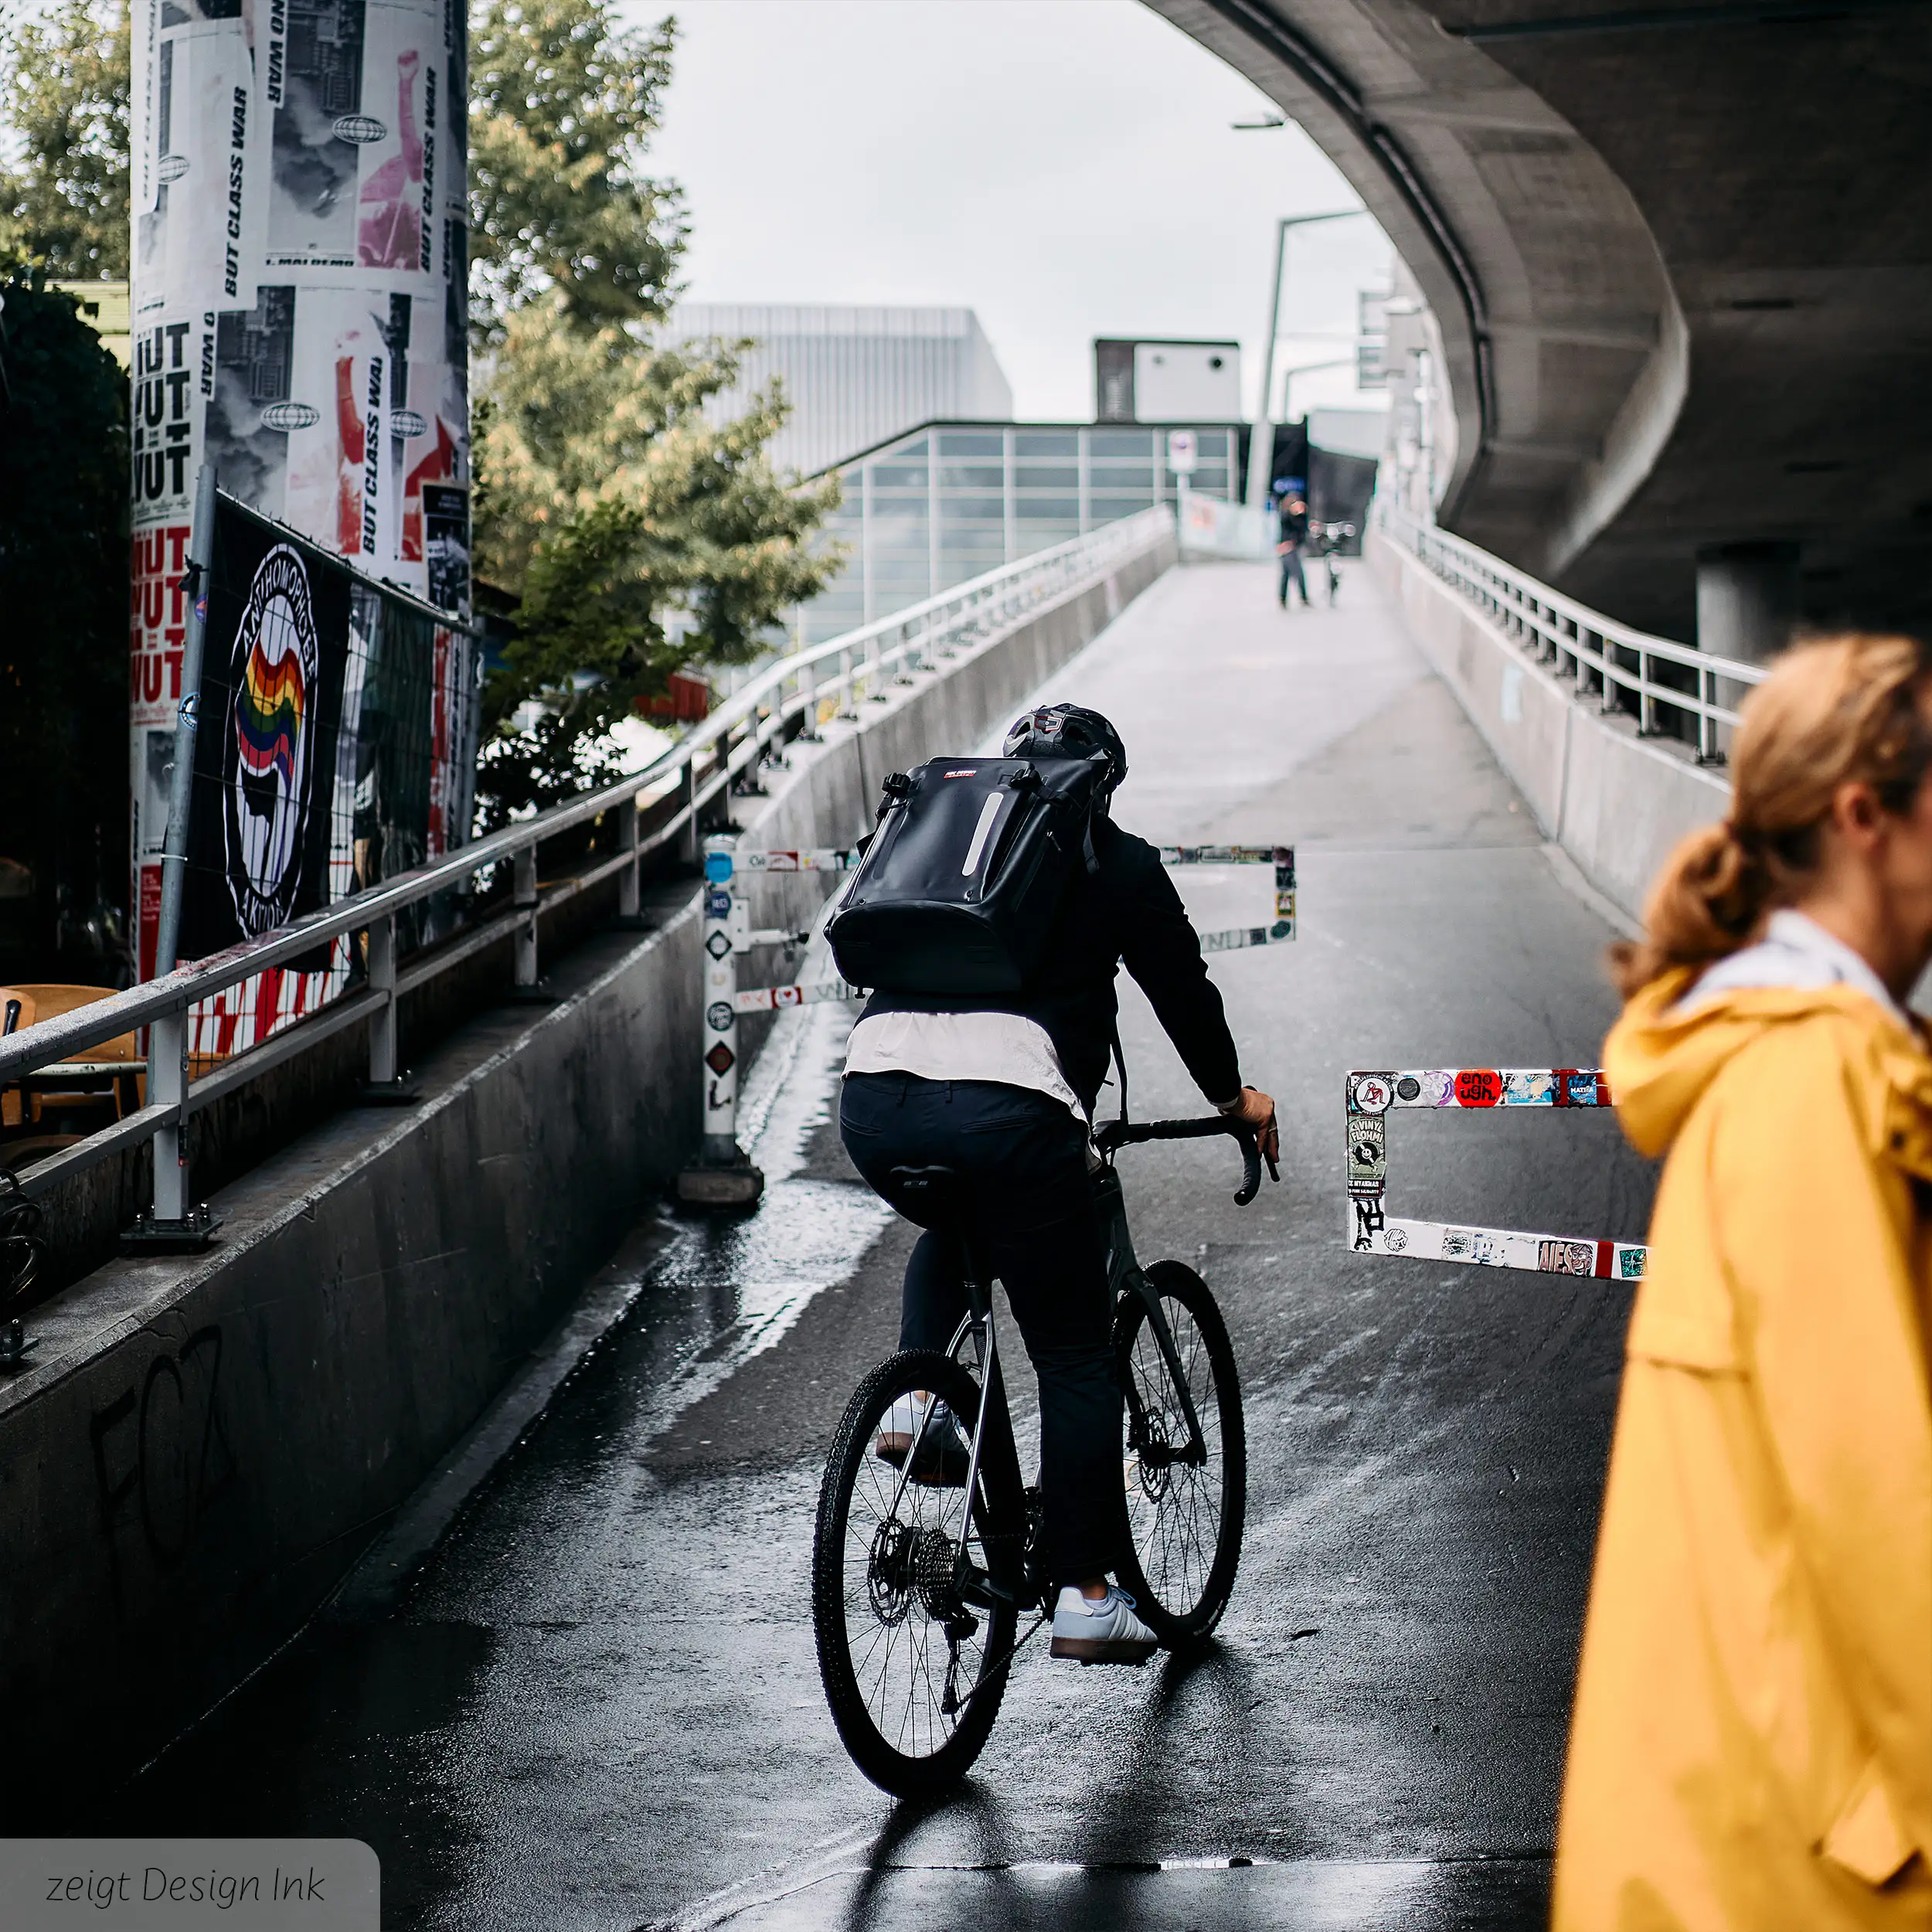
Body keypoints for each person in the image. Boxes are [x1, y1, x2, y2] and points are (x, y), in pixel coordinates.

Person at [1553, 633, 1932, 1930]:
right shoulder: (1809, 1088)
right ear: (1866, 816)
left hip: (1755, 1839)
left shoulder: (1807, 1068)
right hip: (1796, 1863)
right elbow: (1882, 1501)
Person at [838, 705, 1279, 1665]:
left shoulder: (955, 849)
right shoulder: (1114, 862)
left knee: (957, 1228)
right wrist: (1233, 1097)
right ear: (1102, 785)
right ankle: (1084, 1592)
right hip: (1014, 1114)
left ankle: (923, 1407)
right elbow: (1182, 993)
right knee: (1076, 1355)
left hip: (875, 1098)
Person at [1274, 481, 1310, 610]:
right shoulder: (1285, 515)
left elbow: (1302, 529)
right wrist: (1293, 513)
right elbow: (1286, 522)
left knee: (1286, 574)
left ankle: (1283, 599)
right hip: (1286, 547)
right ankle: (1301, 597)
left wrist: (1301, 514)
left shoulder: (1300, 517)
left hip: (1293, 546)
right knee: (1295, 573)